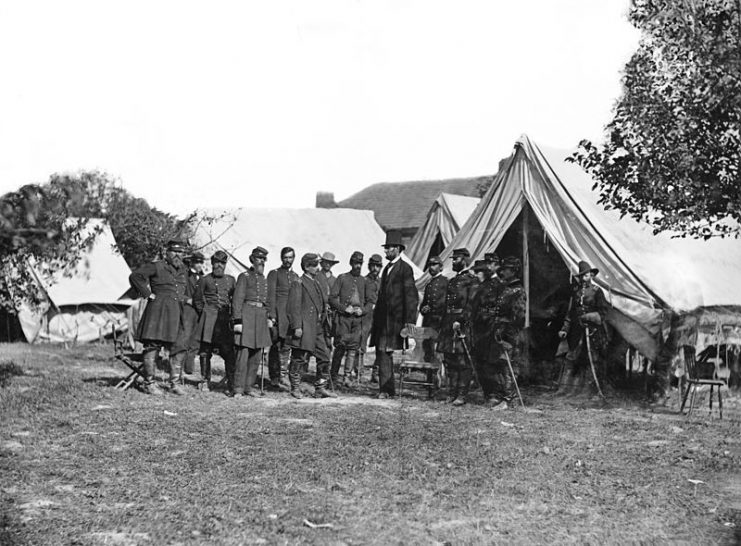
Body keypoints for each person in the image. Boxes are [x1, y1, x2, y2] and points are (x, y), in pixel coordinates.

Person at [128, 239, 189, 395]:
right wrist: (148, 294)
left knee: (179, 346)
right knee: (152, 346)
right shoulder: (157, 266)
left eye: (180, 252)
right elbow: (135, 276)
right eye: (174, 251)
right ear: (166, 252)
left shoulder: (183, 269)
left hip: (176, 313)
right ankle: (149, 383)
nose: (177, 255)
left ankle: (174, 383)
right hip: (158, 311)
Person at [370, 230, 419, 399]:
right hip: (383, 321)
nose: (386, 251)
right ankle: (386, 389)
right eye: (386, 248)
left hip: (396, 321)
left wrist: (409, 322)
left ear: (398, 249)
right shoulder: (386, 269)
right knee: (382, 352)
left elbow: (411, 297)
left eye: (389, 248)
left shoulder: (405, 269)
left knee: (385, 352)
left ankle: (386, 390)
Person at [286, 253, 338, 399]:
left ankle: (320, 388)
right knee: (299, 358)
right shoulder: (299, 282)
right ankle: (295, 388)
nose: (318, 267)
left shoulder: (317, 282)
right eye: (314, 265)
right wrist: (296, 326)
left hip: (318, 328)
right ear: (307, 267)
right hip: (304, 327)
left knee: (325, 356)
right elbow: (293, 307)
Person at [558, 260, 610, 397]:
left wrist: (590, 316)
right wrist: (565, 328)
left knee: (591, 359)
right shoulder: (575, 292)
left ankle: (588, 390)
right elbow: (570, 313)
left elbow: (604, 312)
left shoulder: (597, 292)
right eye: (581, 276)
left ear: (591, 276)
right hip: (577, 331)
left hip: (593, 331)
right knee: (572, 357)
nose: (583, 279)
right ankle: (567, 388)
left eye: (586, 276)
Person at [436, 248, 479, 406]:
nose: (453, 262)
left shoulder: (472, 281)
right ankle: (451, 393)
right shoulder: (453, 280)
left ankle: (462, 395)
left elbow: (471, 305)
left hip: (462, 324)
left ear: (465, 260)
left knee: (462, 361)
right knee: (449, 359)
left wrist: (461, 320)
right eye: (453, 259)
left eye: (456, 259)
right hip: (449, 323)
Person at [231, 246, 274, 397]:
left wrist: (269, 317)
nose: (261, 261)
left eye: (263, 259)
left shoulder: (264, 279)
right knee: (243, 355)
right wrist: (237, 320)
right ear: (252, 259)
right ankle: (237, 389)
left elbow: (268, 301)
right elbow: (237, 300)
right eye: (258, 258)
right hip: (247, 316)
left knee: (256, 356)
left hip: (260, 318)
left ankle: (248, 388)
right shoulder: (244, 276)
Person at [192, 251, 236, 392]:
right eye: (216, 262)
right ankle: (205, 380)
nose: (219, 265)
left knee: (229, 352)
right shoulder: (205, 280)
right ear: (211, 263)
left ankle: (231, 381)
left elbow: (235, 299)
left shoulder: (231, 280)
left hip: (224, 321)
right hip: (209, 320)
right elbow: (197, 300)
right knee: (205, 351)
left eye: (222, 263)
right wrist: (205, 313)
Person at [329, 251, 374, 387]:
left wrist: (363, 310)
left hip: (357, 320)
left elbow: (370, 302)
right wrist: (343, 308)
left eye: (360, 263)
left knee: (353, 349)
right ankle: (334, 376)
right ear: (351, 263)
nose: (357, 266)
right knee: (340, 347)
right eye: (355, 263)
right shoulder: (342, 278)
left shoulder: (364, 281)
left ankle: (347, 377)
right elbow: (332, 298)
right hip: (344, 319)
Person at [465, 259, 504, 406]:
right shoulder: (481, 286)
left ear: (485, 273)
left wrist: (488, 317)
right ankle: (488, 393)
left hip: (490, 329)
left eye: (478, 272)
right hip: (478, 329)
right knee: (480, 362)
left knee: (489, 363)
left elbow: (498, 307)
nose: (476, 275)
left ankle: (495, 394)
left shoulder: (497, 286)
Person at [267, 247, 300, 391]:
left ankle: (283, 375)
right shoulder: (274, 274)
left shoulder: (295, 276)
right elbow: (270, 296)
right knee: (275, 346)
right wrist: (272, 316)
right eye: (285, 257)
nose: (288, 260)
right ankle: (274, 377)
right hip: (277, 314)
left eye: (290, 257)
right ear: (281, 258)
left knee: (286, 346)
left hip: (289, 315)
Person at [173, 251, 205, 377]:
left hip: (199, 312)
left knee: (195, 340)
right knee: (184, 339)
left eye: (201, 262)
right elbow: (178, 292)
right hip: (188, 310)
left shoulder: (203, 277)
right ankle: (177, 369)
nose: (199, 265)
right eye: (197, 262)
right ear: (191, 262)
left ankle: (189, 368)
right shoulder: (184, 275)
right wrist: (188, 300)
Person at [356, 253, 382, 383]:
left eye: (378, 266)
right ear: (369, 266)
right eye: (373, 266)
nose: (375, 269)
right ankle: (358, 372)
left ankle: (376, 373)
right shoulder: (363, 281)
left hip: (379, 316)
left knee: (380, 344)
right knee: (361, 343)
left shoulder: (382, 281)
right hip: (366, 315)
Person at [419, 255, 448, 362]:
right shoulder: (429, 284)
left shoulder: (446, 282)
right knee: (428, 350)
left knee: (437, 352)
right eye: (429, 265)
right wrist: (423, 309)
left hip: (439, 322)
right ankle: (429, 377)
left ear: (441, 267)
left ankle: (438, 377)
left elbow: (447, 303)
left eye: (434, 265)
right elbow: (424, 303)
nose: (431, 267)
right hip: (428, 322)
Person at [316, 251, 339, 352]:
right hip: (318, 311)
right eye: (326, 262)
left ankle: (326, 361)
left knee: (328, 338)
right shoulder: (316, 277)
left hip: (330, 314)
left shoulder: (335, 279)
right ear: (321, 263)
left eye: (330, 263)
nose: (327, 265)